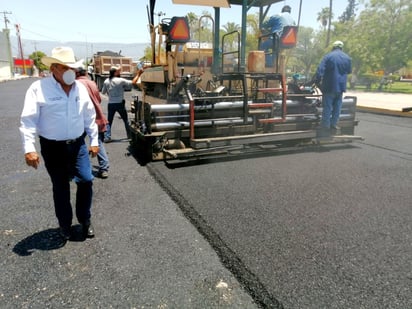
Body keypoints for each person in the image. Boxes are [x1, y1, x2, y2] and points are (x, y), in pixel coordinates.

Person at [19, 46, 99, 240]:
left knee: (87, 180)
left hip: (78, 144)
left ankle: (85, 220)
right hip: (53, 147)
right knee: (61, 186)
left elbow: (89, 116)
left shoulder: (80, 88)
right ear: (54, 68)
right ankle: (65, 225)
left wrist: (94, 140)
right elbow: (28, 120)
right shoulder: (39, 88)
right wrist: (29, 148)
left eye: (71, 67)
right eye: (64, 67)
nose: (69, 71)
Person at [76, 66, 110, 179]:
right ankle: (104, 168)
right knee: (98, 141)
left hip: (79, 118)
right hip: (95, 116)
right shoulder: (92, 83)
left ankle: (76, 168)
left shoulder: (75, 84)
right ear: (85, 73)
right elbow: (98, 99)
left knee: (77, 143)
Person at [314, 40, 352, 133]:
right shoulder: (347, 58)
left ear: (333, 47)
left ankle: (325, 126)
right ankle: (334, 124)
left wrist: (317, 80)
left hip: (329, 86)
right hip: (341, 87)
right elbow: (349, 71)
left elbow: (320, 70)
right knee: (337, 107)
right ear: (341, 48)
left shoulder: (328, 56)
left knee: (327, 107)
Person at [101, 66, 136, 142]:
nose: (119, 72)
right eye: (118, 71)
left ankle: (107, 137)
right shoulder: (120, 80)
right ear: (115, 72)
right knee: (125, 120)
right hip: (120, 103)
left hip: (111, 104)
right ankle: (129, 136)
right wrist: (139, 73)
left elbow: (103, 92)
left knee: (109, 121)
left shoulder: (106, 81)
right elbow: (133, 82)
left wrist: (110, 93)